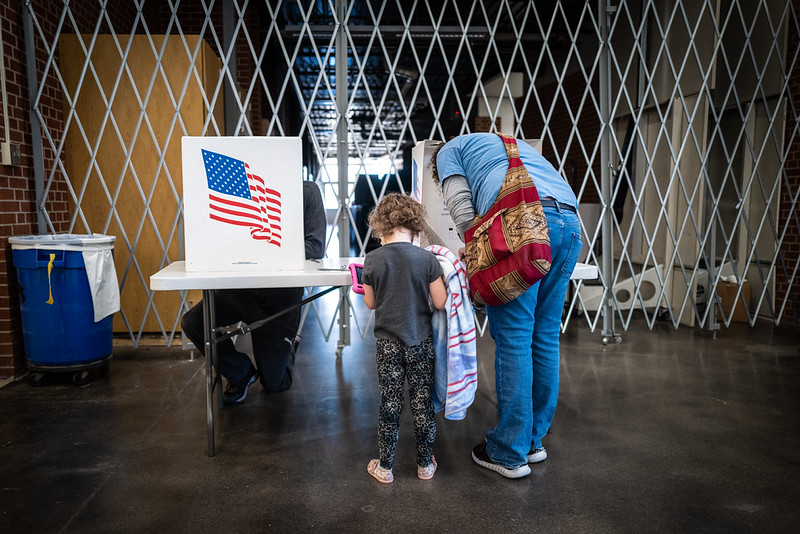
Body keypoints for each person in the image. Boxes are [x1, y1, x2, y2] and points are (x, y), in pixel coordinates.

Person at [433, 132, 583, 479]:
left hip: (526, 224)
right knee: (544, 335)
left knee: (514, 336)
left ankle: (507, 451)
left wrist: (476, 255)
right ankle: (532, 442)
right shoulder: (506, 144)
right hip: (569, 223)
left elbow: (461, 208)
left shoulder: (448, 152)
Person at [181, 180, 327, 405]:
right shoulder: (240, 188)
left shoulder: (307, 191)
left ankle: (285, 347)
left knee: (275, 384)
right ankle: (241, 373)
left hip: (282, 297)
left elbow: (315, 247)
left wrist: (258, 249)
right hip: (240, 290)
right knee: (193, 323)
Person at [361, 193, 448, 483]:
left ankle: (385, 467)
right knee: (421, 403)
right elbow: (439, 302)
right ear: (415, 227)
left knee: (390, 403)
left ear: (380, 227)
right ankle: (425, 465)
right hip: (419, 341)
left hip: (388, 344)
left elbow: (371, 304)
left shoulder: (372, 260)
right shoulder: (427, 259)